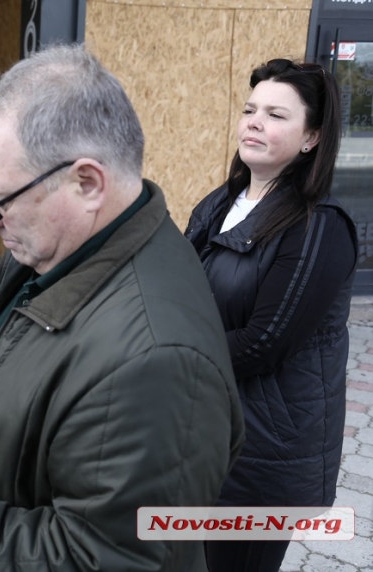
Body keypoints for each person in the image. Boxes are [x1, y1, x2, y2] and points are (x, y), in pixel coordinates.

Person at [0, 44, 245, 571]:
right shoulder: (62, 245)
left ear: (87, 183)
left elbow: (95, 558)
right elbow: (25, 356)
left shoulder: (157, 361)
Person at [184, 58, 357, 572]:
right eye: (249, 108)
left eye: (277, 115)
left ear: (311, 139)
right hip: (206, 432)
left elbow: (262, 344)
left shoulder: (318, 228)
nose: (254, 122)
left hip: (265, 454)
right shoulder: (220, 203)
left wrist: (161, 357)